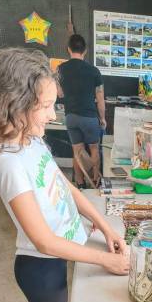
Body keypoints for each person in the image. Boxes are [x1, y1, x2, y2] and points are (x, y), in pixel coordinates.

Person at [0, 47, 129, 302]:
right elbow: (44, 242)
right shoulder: (7, 162)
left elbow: (64, 184)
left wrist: (103, 225)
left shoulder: (30, 142)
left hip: (53, 262)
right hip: (41, 268)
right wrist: (106, 260)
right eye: (47, 106)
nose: (54, 115)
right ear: (14, 104)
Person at [57, 34, 106, 189]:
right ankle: (95, 180)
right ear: (85, 50)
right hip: (89, 117)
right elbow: (100, 98)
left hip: (70, 117)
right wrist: (103, 118)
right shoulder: (94, 71)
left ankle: (79, 183)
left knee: (77, 151)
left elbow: (60, 94)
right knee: (93, 148)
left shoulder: (60, 69)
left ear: (68, 49)